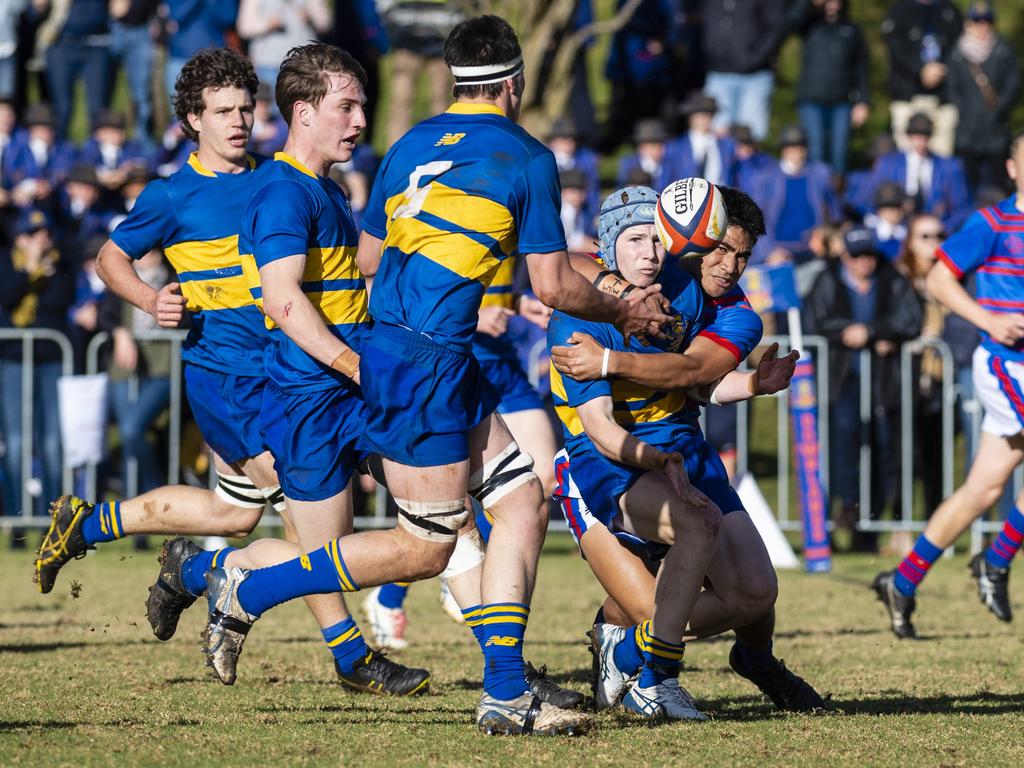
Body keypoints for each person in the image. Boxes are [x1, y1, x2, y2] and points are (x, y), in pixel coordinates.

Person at [198, 15, 666, 737]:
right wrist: (621, 311)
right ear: (514, 84)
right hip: (425, 365)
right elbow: (553, 286)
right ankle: (249, 586)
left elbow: (374, 258)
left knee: (522, 502)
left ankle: (506, 687)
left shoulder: (410, 143)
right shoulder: (527, 155)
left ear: (454, 81)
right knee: (429, 546)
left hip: (429, 354)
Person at [548, 184, 824, 718]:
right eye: (721, 248)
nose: (730, 265)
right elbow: (562, 267)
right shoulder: (644, 277)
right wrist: (612, 289)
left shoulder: (733, 313)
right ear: (697, 238)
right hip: (603, 460)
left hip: (679, 446)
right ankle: (646, 663)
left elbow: (694, 376)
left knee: (756, 592)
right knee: (655, 605)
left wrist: (609, 361)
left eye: (744, 256)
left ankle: (636, 652)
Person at [873, 132, 1024, 638]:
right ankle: (997, 560)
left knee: (984, 489)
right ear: (1012, 167)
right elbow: (939, 280)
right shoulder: (993, 222)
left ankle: (904, 579)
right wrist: (991, 320)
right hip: (1007, 363)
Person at [804, 227, 923, 552]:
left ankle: (868, 529)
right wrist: (847, 332)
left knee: (883, 450)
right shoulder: (826, 280)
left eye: (869, 255)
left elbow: (911, 319)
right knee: (841, 443)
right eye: (857, 256)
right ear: (845, 256)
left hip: (883, 383)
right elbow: (814, 321)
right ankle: (845, 508)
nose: (864, 262)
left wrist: (870, 331)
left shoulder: (892, 279)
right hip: (841, 381)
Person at [0, 207, 73, 525]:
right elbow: (6, 298)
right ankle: (18, 517)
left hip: (52, 361)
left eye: (44, 233)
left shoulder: (60, 266)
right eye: (33, 234)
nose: (41, 239)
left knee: (52, 443)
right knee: (16, 442)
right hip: (14, 361)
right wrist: (29, 270)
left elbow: (60, 302)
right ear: (19, 239)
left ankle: (53, 521)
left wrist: (44, 271)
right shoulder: (7, 264)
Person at [895, 214, 948, 517]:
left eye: (939, 236)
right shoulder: (900, 280)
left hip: (939, 377)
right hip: (903, 377)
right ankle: (899, 524)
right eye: (925, 237)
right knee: (902, 455)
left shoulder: (952, 279)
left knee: (934, 457)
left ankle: (935, 523)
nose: (934, 244)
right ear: (910, 242)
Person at [946, 1, 1020, 195]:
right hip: (967, 132)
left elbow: (1013, 86)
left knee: (998, 187)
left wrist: (997, 110)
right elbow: (953, 89)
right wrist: (966, 114)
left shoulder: (1003, 51)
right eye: (977, 21)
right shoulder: (957, 54)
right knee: (966, 187)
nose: (982, 26)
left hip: (996, 131)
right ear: (968, 23)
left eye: (987, 20)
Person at [791, 0, 869, 176]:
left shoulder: (852, 30)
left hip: (842, 100)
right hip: (811, 99)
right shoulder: (809, 25)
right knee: (815, 150)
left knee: (839, 152)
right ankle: (816, 196)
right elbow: (790, 21)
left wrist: (863, 101)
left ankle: (836, 200)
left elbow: (861, 68)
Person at [701, 0, 790, 142]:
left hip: (755, 76)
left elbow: (778, 27)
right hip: (717, 72)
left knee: (750, 137)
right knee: (717, 135)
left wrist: (755, 58)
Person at [749, 124, 839, 265]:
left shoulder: (820, 173)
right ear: (784, 150)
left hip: (813, 253)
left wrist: (825, 236)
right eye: (792, 148)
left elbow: (835, 214)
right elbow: (754, 219)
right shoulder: (766, 177)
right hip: (778, 253)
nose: (798, 152)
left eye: (801, 147)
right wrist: (769, 251)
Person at [882, 0, 963, 156]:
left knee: (941, 156)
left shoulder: (950, 11)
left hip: (943, 97)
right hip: (907, 94)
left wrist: (940, 69)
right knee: (908, 157)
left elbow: (959, 47)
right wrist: (921, 69)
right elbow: (896, 50)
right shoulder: (898, 11)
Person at [872, 112, 970, 232]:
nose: (920, 141)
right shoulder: (889, 164)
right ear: (908, 136)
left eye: (925, 136)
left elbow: (962, 207)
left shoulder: (950, 167)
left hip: (935, 229)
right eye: (915, 135)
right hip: (897, 229)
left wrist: (941, 228)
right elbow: (874, 201)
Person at [236, 0, 331, 92]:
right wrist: (267, 24)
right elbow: (244, 28)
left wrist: (311, 15)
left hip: (305, 65)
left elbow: (326, 24)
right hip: (268, 65)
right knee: (269, 106)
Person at [662, 92, 734, 189]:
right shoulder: (675, 147)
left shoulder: (726, 145)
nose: (704, 119)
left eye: (709, 114)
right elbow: (665, 179)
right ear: (690, 118)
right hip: (685, 199)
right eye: (699, 115)